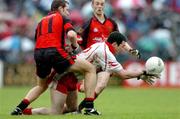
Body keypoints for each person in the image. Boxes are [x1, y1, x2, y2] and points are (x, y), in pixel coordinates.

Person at [23, 32, 157, 115]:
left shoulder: (102, 46)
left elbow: (116, 72)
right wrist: (144, 72)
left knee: (70, 108)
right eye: (122, 46)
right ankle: (89, 108)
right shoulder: (106, 53)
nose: (123, 49)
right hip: (65, 77)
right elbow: (123, 74)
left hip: (72, 77)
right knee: (55, 112)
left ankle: (26, 111)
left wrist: (140, 73)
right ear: (115, 44)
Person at [10, 0, 98, 115]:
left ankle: (19, 108)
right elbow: (71, 35)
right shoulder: (62, 18)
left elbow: (39, 39)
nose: (68, 12)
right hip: (54, 52)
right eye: (67, 9)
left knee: (41, 85)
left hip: (38, 53)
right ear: (60, 9)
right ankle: (89, 108)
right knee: (90, 69)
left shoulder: (41, 21)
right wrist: (74, 46)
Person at [77, 0, 140, 111]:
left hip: (106, 60)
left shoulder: (112, 23)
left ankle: (83, 108)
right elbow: (78, 39)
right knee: (83, 88)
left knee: (101, 85)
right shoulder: (88, 23)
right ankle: (78, 93)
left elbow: (120, 40)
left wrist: (131, 50)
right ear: (92, 5)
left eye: (102, 4)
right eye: (97, 4)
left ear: (104, 6)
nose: (99, 6)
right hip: (92, 60)